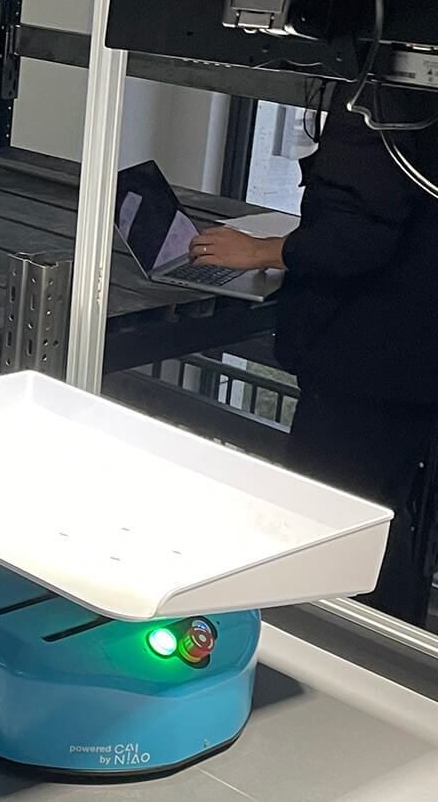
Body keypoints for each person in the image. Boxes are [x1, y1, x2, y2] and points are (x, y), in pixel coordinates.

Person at [190, 83, 438, 628]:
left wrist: (260, 251)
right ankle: (385, 665)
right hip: (412, 361)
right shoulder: (414, 81)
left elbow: (357, 239)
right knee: (388, 523)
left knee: (332, 526)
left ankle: (330, 653)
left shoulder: (382, 93)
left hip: (368, 362)